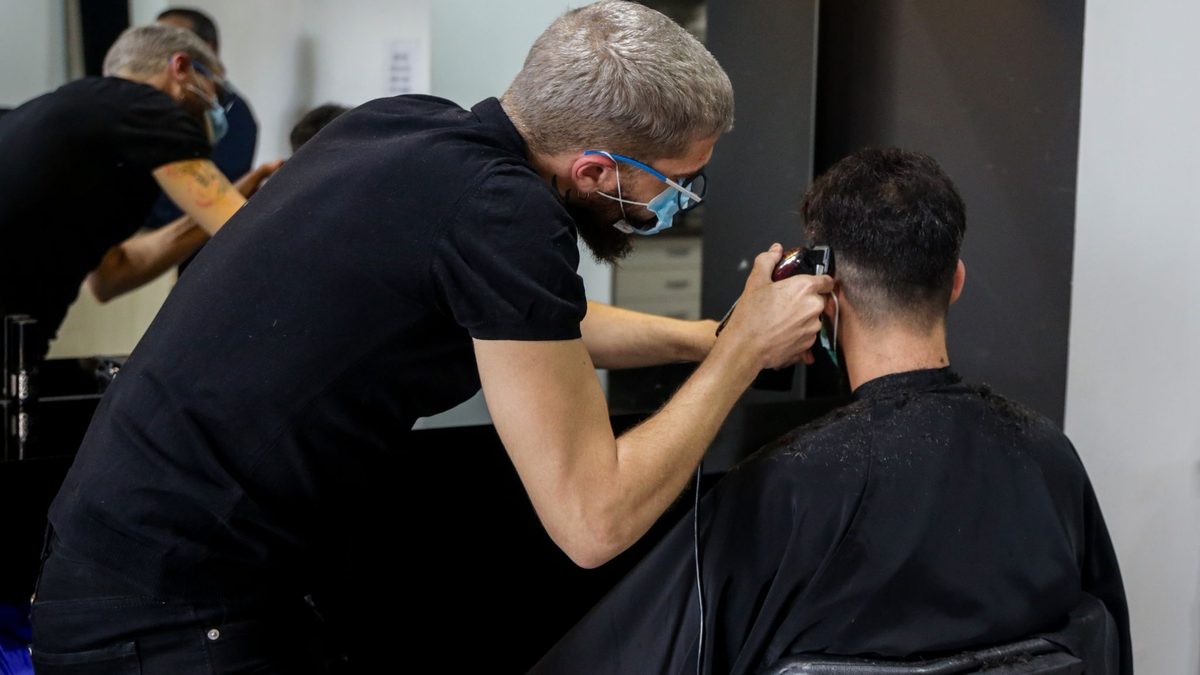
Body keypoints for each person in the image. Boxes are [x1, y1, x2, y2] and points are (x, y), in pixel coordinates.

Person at [31, 3, 833, 673]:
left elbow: (541, 323)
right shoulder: (506, 215)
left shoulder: (401, 130)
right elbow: (594, 520)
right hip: (169, 616)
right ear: (595, 171)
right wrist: (738, 358)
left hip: (110, 573)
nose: (678, 201)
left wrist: (708, 336)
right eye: (673, 181)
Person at [529, 148, 1132, 675]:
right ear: (955, 281)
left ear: (824, 292)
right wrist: (721, 339)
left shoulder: (786, 486)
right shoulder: (1049, 454)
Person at [0, 23, 280, 358]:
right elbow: (254, 241)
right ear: (181, 68)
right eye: (215, 95)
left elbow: (111, 276)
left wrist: (238, 200)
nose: (216, 113)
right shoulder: (152, 110)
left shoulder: (62, 114)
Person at [144, 7, 260, 264]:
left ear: (205, 49)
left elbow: (206, 199)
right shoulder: (150, 106)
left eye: (169, 42)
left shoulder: (233, 116)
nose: (157, 54)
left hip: (190, 255)